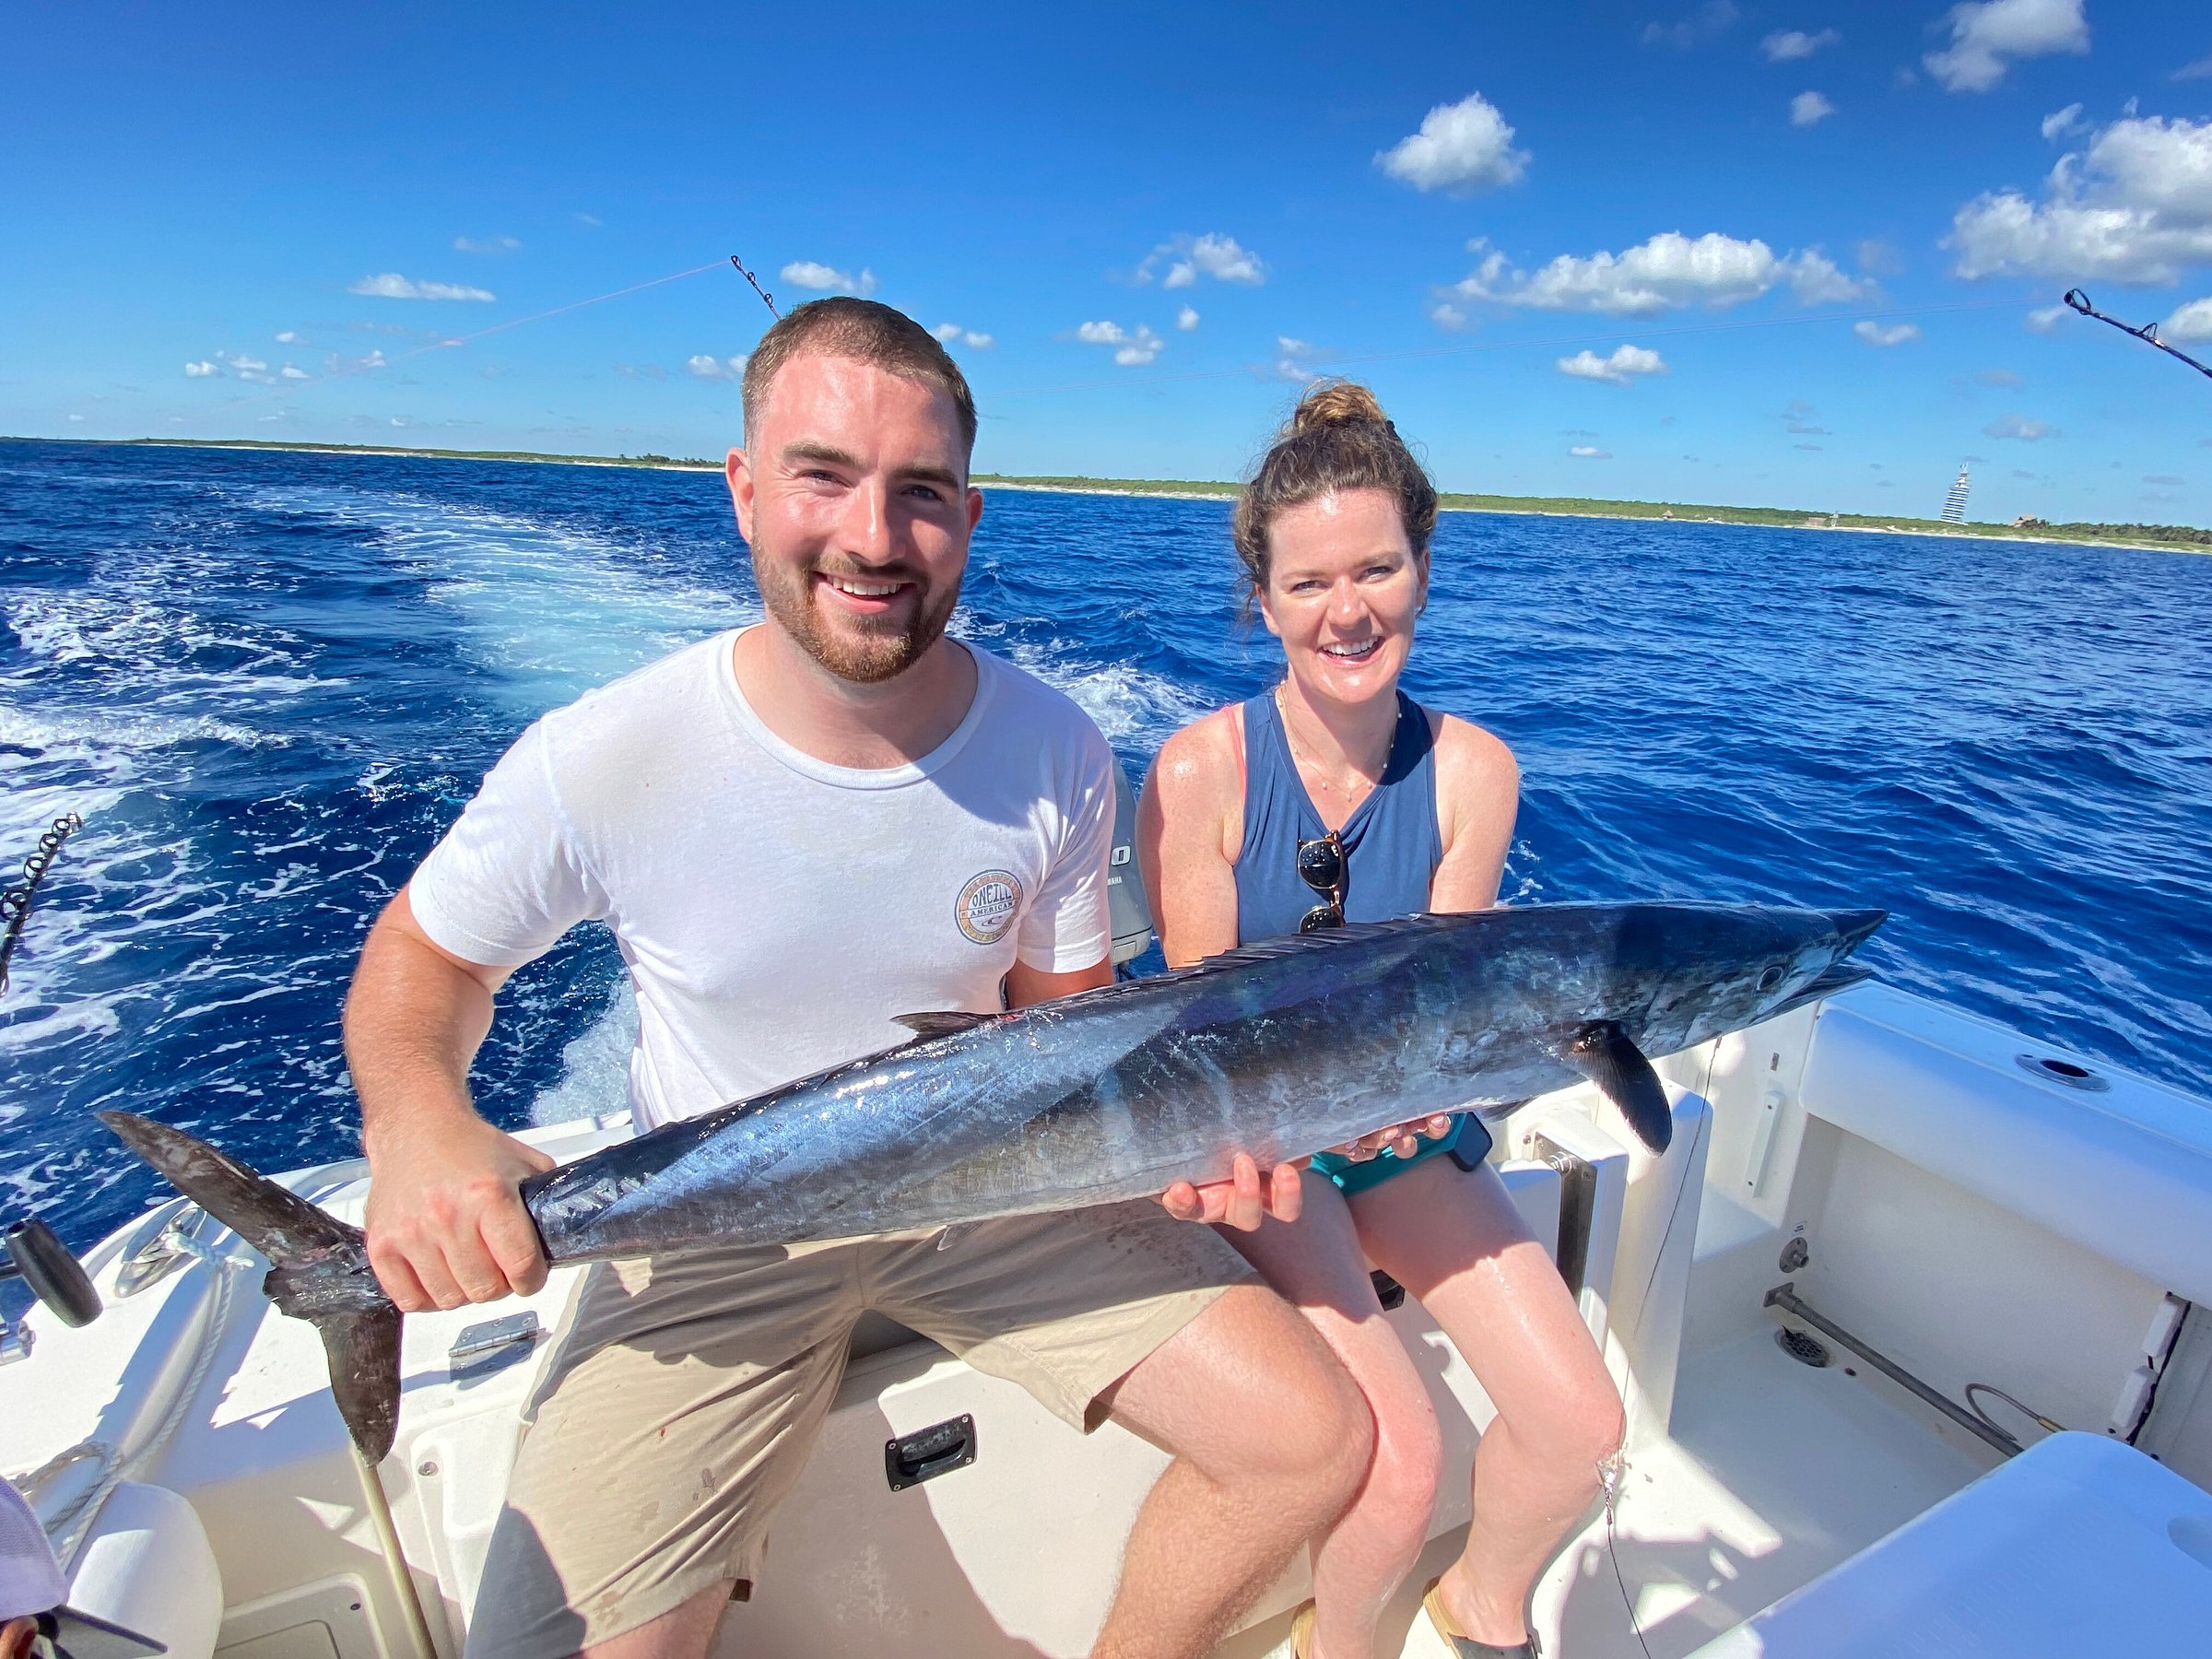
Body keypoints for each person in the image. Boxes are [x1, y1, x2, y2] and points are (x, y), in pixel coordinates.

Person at [343, 299, 1373, 1659]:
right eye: (824, 476)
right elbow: (422, 957)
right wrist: (418, 1125)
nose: (875, 540)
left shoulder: (1055, 748)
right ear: (745, 489)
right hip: (715, 1233)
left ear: (971, 512)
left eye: (921, 495)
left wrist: (1189, 1147)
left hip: (1002, 1189)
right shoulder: (603, 754)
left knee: (1314, 1441)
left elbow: (1066, 1033)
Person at [1139, 382, 1627, 1659]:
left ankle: (1485, 1616)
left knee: (1584, 1430)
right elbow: (1197, 1033)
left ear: (1423, 567)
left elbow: (1452, 997)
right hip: (1269, 1155)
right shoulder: (1200, 772)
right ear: (1263, 602)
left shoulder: (1475, 771)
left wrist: (1429, 1091)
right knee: (1399, 1469)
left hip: (1404, 1136)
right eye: (1308, 584)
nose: (1345, 609)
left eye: (1378, 568)